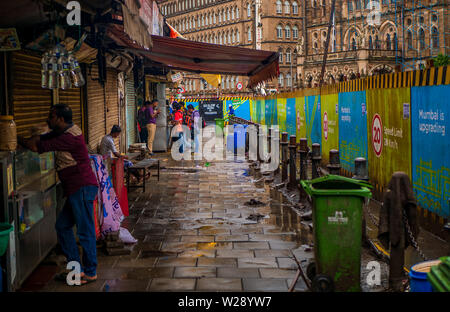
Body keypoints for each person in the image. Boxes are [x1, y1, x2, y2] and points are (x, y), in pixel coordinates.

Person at [18, 104, 99, 285]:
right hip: (76, 188)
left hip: (82, 186)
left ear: (61, 119)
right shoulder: (65, 131)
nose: (48, 119)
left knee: (85, 231)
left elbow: (35, 146)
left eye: (52, 116)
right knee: (62, 226)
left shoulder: (69, 138)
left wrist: (15, 138)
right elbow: (42, 137)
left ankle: (90, 272)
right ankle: (76, 269)